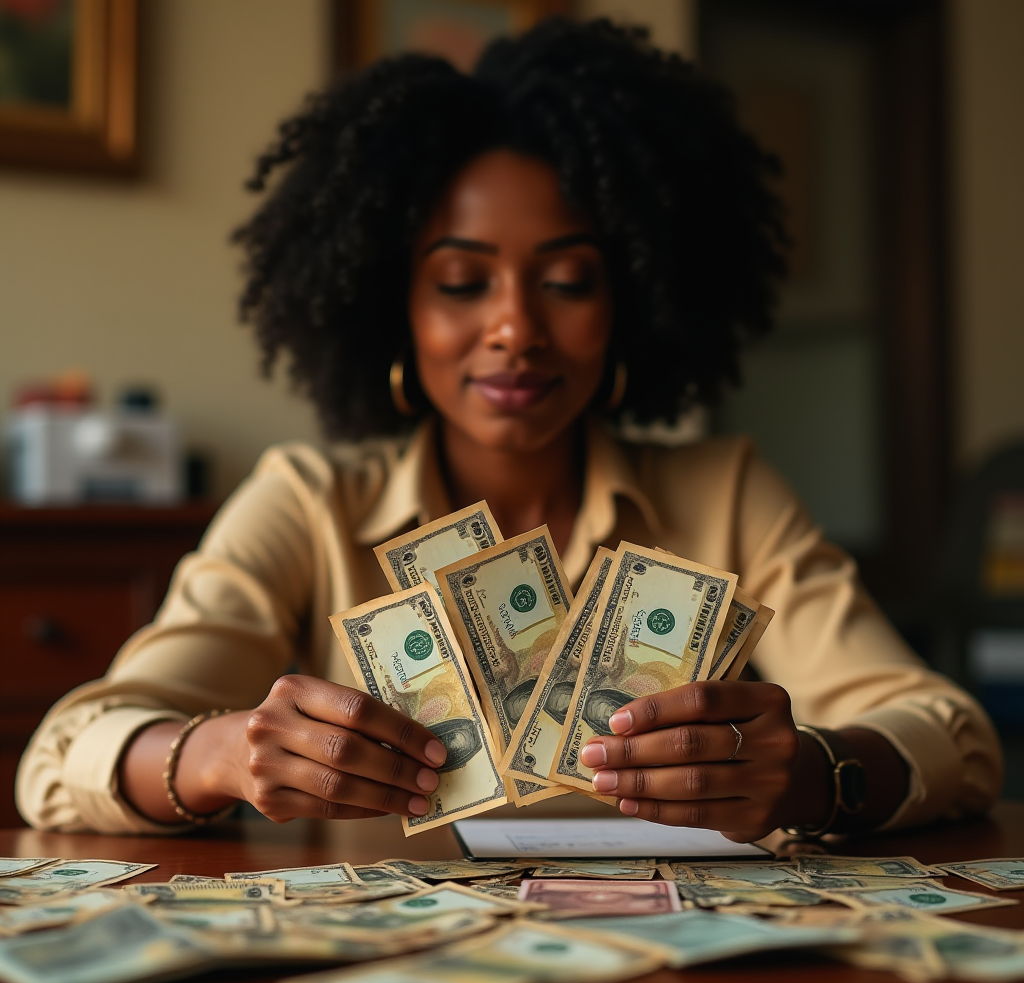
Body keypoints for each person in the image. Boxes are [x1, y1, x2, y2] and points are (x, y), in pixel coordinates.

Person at [16, 19, 1001, 842]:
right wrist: (219, 754)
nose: (516, 329)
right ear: (391, 306)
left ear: (632, 302)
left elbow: (949, 731)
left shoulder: (726, 492)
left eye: (568, 280)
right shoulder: (309, 500)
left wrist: (815, 774)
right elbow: (66, 751)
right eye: (460, 281)